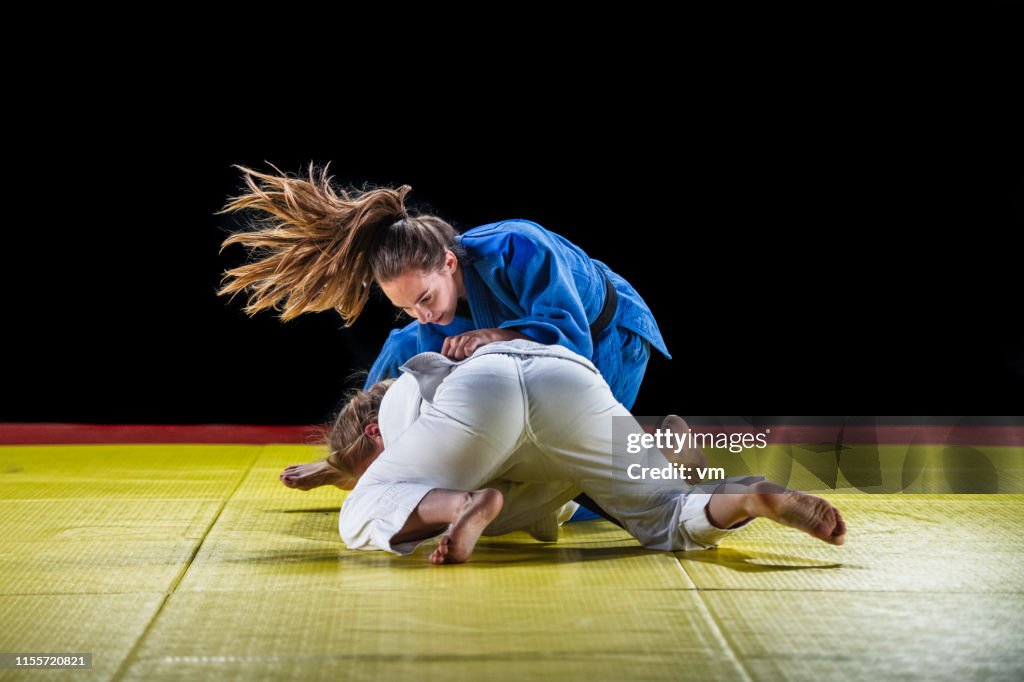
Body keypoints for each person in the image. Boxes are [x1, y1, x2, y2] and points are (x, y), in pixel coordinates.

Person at [216, 165, 671, 496]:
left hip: (612, 335)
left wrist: (496, 336)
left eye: (426, 298)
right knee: (409, 354)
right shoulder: (426, 321)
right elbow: (385, 395)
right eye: (407, 306)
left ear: (449, 262)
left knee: (589, 482)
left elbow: (572, 342)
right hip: (552, 348)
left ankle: (669, 456)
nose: (423, 314)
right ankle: (355, 462)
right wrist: (355, 456)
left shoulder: (519, 246)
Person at [328, 339, 846, 564]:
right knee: (665, 516)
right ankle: (745, 495)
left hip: (479, 397)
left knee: (359, 513)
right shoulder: (412, 386)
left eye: (364, 465)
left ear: (373, 434)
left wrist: (461, 507)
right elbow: (550, 504)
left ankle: (460, 506)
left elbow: (391, 485)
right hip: (567, 375)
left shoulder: (400, 409)